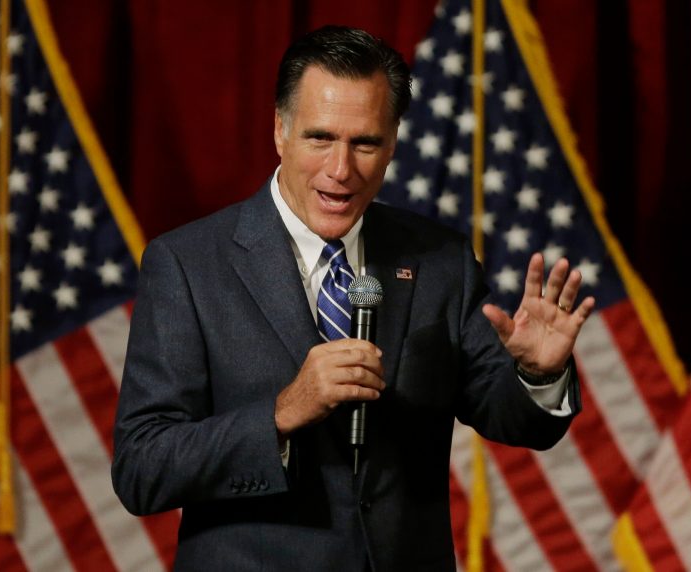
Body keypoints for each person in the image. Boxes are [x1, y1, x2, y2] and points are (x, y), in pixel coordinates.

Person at [112, 26, 595, 571]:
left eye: (364, 143)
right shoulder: (188, 264)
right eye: (320, 138)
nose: (341, 171)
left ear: (391, 144)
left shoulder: (441, 261)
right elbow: (142, 468)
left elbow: (514, 419)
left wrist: (538, 374)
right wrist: (281, 413)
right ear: (280, 130)